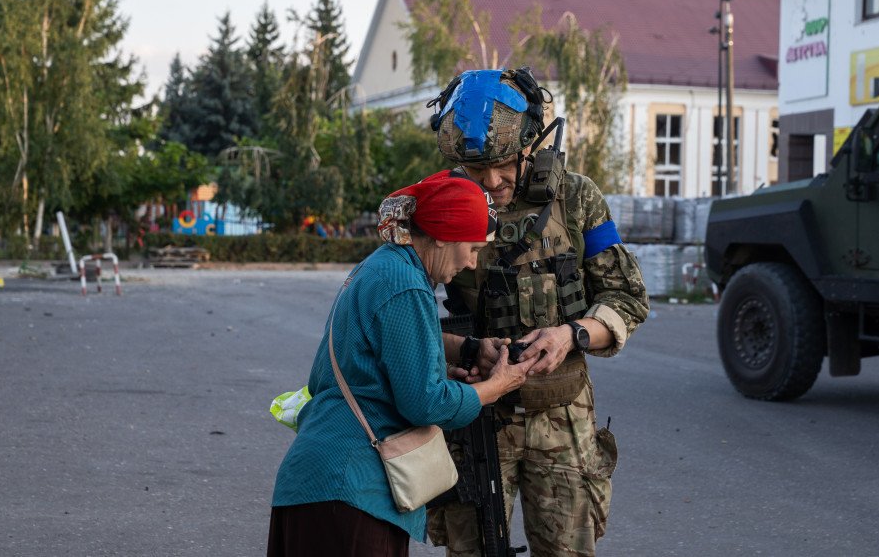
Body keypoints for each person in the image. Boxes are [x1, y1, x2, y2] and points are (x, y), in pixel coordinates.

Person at [427, 67, 650, 556]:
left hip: (564, 422)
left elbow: (627, 298)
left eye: (504, 163)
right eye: (477, 169)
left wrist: (571, 335)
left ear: (532, 143)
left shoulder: (576, 198)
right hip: (477, 418)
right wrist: (465, 348)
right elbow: (407, 314)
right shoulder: (441, 205)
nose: (492, 180)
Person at [267, 171, 537, 557]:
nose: (472, 262)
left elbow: (385, 342)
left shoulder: (383, 266)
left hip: (320, 484)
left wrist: (466, 350)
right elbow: (426, 404)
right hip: (350, 491)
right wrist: (497, 386)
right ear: (444, 235)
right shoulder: (406, 283)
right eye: (473, 248)